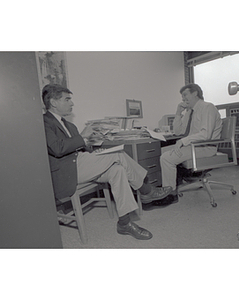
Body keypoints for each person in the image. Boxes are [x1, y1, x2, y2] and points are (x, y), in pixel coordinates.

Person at [42, 84, 172, 240]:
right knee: (119, 155)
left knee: (118, 170)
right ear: (54, 102)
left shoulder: (70, 125)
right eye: (67, 99)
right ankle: (146, 190)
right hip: (67, 172)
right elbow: (57, 148)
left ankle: (124, 223)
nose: (72, 103)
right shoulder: (44, 122)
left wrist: (93, 153)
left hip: (81, 165)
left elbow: (79, 149)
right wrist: (83, 137)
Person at [160, 83, 222, 194]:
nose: (183, 99)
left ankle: (170, 193)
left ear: (195, 93)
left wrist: (183, 141)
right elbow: (178, 132)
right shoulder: (190, 112)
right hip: (193, 146)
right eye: (182, 97)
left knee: (166, 158)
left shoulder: (207, 107)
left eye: (185, 95)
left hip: (205, 147)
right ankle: (171, 184)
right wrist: (178, 112)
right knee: (161, 151)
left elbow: (205, 134)